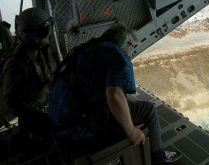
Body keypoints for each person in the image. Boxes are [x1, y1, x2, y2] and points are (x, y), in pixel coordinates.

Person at [48, 24, 182, 164]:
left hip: (60, 126)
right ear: (122, 41)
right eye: (131, 47)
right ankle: (158, 156)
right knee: (148, 110)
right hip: (82, 128)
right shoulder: (117, 54)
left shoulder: (84, 50)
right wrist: (131, 131)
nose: (131, 53)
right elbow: (114, 96)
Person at [2, 8, 52, 138]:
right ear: (34, 35)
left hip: (45, 112)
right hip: (34, 124)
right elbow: (11, 103)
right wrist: (36, 116)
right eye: (46, 30)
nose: (49, 34)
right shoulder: (17, 64)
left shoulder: (37, 53)